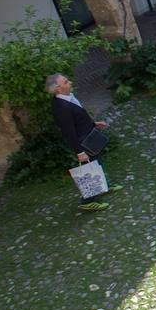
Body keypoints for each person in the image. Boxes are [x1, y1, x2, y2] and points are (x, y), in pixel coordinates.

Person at [47, 72, 112, 211]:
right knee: (89, 169)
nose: (69, 82)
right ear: (58, 88)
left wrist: (94, 124)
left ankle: (103, 187)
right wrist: (79, 152)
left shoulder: (69, 98)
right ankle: (87, 201)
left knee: (97, 163)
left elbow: (79, 118)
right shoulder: (62, 107)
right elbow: (69, 131)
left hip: (88, 136)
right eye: (65, 82)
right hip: (82, 142)